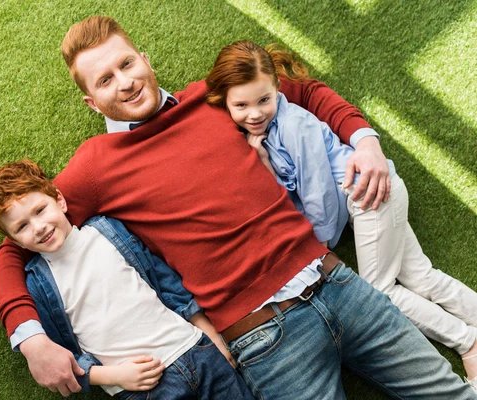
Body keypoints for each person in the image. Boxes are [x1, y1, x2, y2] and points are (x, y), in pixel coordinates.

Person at [0, 16, 477, 399]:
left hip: (339, 284)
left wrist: (365, 142)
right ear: (92, 102)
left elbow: (304, 93)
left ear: (143, 57)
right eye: (105, 80)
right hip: (266, 338)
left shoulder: (214, 98)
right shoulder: (96, 167)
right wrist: (31, 339)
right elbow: (13, 252)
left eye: (126, 64)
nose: (124, 82)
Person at [204, 39, 477, 390]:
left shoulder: (293, 125)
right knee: (422, 277)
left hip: (368, 194)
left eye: (263, 100)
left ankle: (466, 341)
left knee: (381, 293)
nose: (254, 113)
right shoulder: (263, 136)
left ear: (277, 90)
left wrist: (317, 246)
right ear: (225, 102)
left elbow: (319, 197)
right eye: (241, 105)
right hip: (373, 196)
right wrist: (264, 164)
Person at [0, 159, 254, 399]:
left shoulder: (108, 230)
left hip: (197, 349)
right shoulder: (38, 285)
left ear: (60, 201)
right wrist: (115, 377)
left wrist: (211, 337)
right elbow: (65, 361)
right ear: (16, 241)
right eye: (22, 227)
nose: (38, 227)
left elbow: (169, 284)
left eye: (40, 210)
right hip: (144, 387)